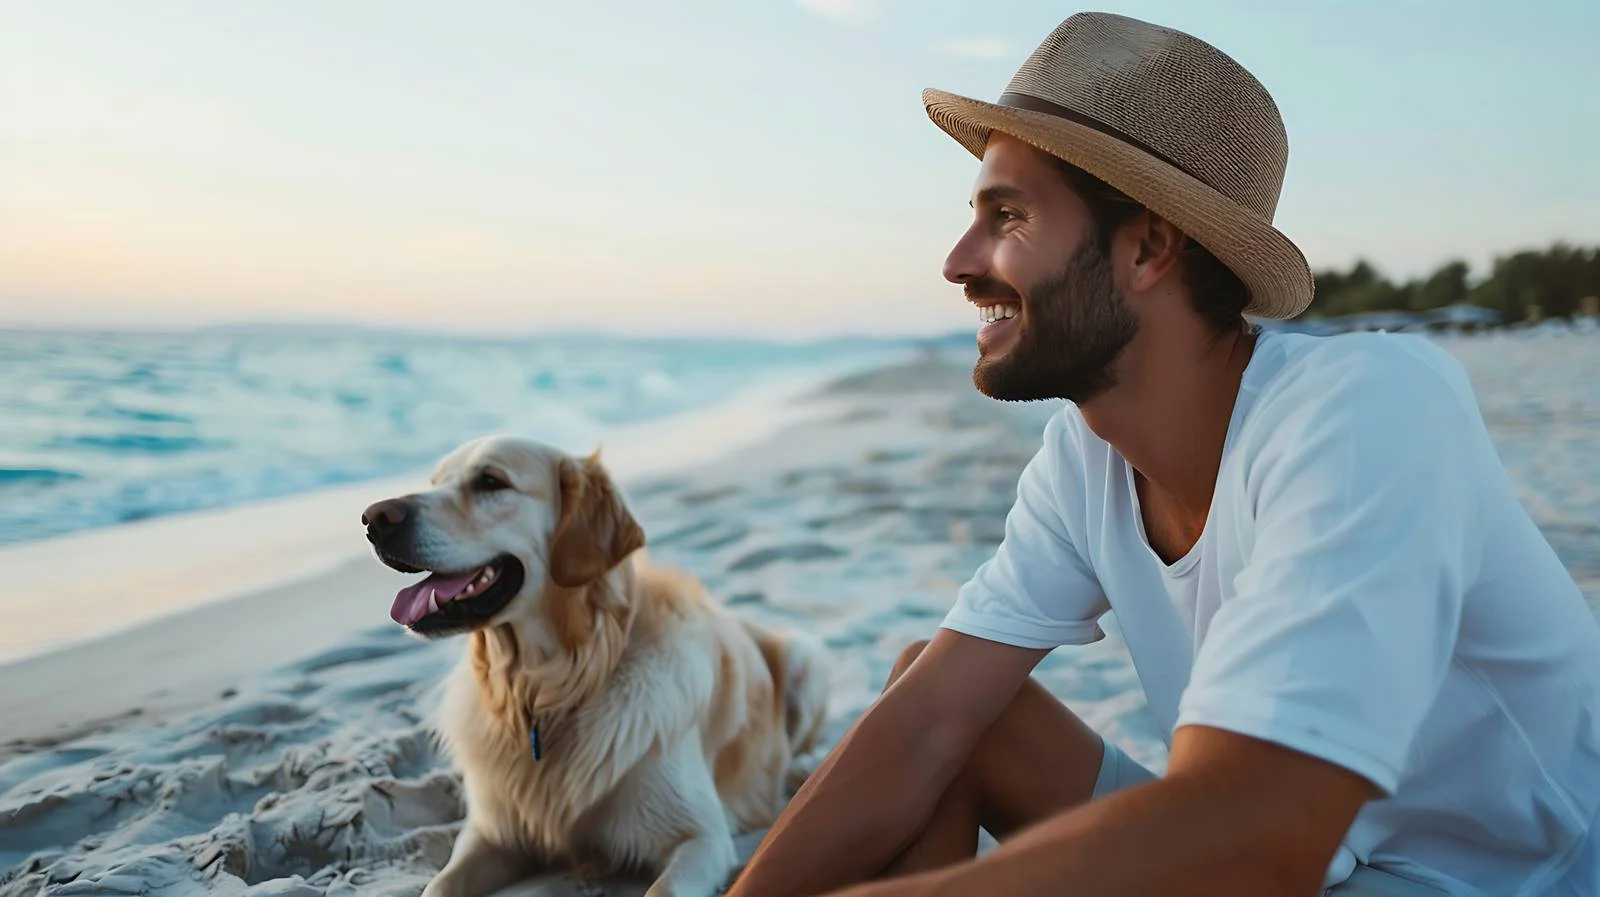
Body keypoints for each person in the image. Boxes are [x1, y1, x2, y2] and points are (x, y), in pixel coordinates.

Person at [726, 12, 1600, 897]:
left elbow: (1258, 835)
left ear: (1147, 246)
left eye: (1008, 215)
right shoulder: (1085, 460)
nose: (959, 261)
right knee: (943, 694)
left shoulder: (1364, 408)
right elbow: (927, 724)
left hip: (1509, 881)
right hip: (1315, 868)